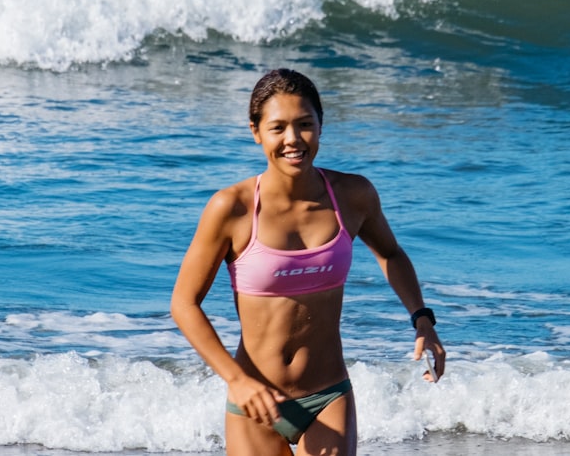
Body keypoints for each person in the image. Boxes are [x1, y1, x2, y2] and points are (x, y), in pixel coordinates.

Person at [171, 68, 446, 456]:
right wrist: (237, 381)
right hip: (257, 399)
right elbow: (184, 303)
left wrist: (422, 318)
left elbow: (391, 254)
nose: (292, 139)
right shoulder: (231, 207)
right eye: (277, 127)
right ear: (255, 131)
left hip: (328, 393)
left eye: (304, 124)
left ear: (320, 126)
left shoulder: (353, 196)